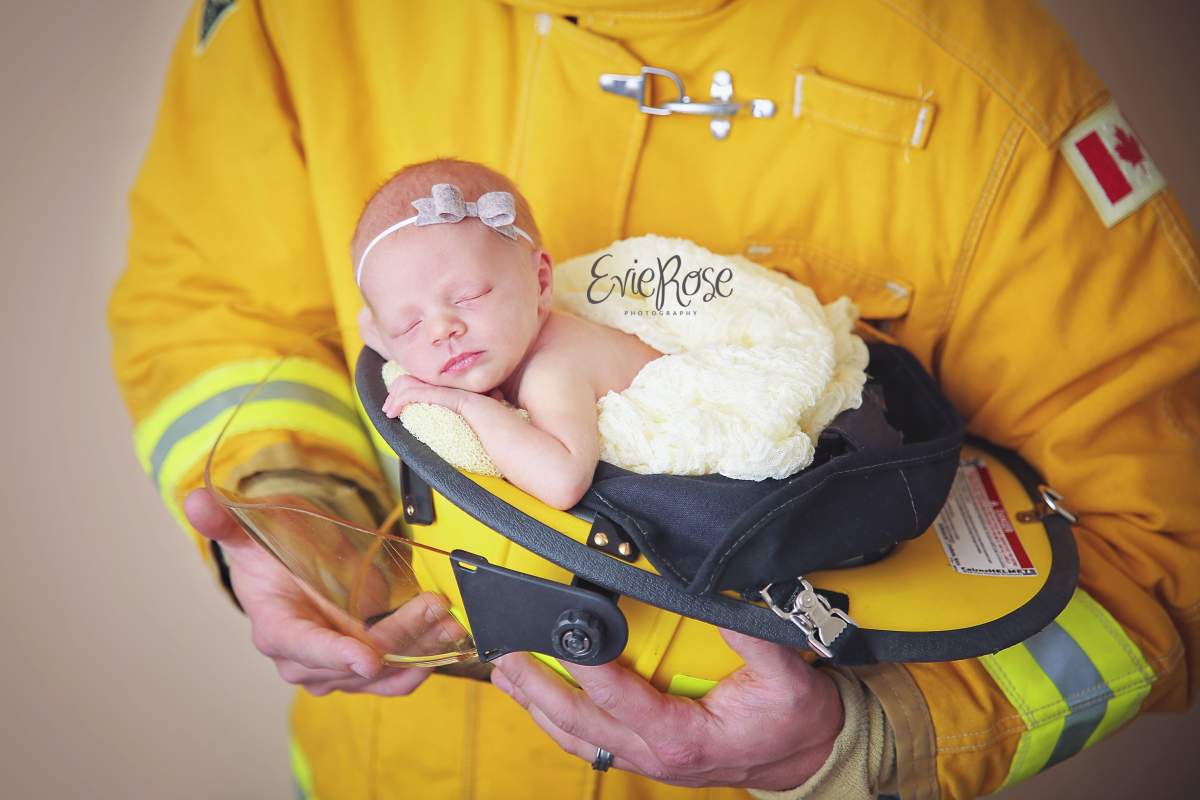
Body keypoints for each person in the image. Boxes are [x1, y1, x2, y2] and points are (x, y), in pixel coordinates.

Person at [107, 1, 1199, 798]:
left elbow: (1162, 535)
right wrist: (296, 504)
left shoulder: (995, 87)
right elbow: (212, 308)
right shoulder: (286, 21)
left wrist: (872, 735)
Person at [356, 160, 662, 511]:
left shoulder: (552, 371)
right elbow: (369, 324)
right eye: (408, 325)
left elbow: (562, 481)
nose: (442, 331)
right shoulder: (502, 341)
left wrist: (468, 405)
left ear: (542, 281)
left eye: (468, 297)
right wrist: (392, 333)